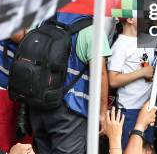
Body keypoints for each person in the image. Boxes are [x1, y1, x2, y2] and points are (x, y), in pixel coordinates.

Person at [27, 12, 111, 154]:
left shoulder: (42, 20)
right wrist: (102, 113)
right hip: (70, 113)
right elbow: (100, 75)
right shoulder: (92, 30)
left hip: (38, 106)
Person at [108, 17, 155, 148]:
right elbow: (113, 80)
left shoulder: (146, 39)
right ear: (129, 19)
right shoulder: (121, 45)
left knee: (145, 149)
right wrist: (142, 72)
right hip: (129, 110)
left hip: (147, 109)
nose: (148, 17)